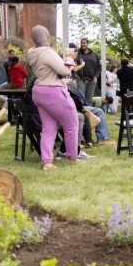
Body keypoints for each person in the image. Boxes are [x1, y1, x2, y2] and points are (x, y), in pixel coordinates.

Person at [27, 25, 81, 170]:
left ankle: (47, 162)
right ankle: (72, 157)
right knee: (71, 124)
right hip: (53, 90)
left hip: (38, 91)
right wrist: (69, 59)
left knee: (49, 128)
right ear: (46, 36)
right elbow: (64, 71)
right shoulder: (47, 52)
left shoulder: (33, 53)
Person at [76, 38, 100, 104]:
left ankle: (87, 114)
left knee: (89, 100)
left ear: (87, 44)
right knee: (80, 99)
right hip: (81, 80)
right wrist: (76, 75)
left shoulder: (94, 55)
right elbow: (73, 65)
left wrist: (96, 76)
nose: (82, 44)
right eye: (81, 43)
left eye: (84, 43)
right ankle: (80, 113)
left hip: (92, 80)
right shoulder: (77, 54)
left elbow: (99, 67)